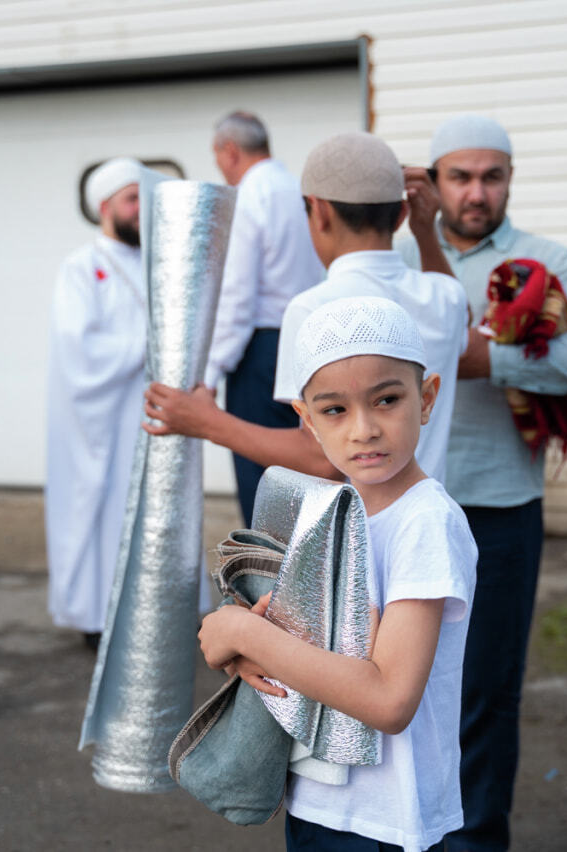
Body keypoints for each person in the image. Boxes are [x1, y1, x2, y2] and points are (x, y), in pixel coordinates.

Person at [396, 115, 567, 849]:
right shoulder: (393, 259)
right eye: (460, 176)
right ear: (431, 183)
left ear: (510, 181)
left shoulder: (543, 258)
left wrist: (488, 362)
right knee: (395, 687)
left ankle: (474, 839)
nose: (476, 192)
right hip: (400, 510)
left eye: (491, 176)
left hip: (499, 510)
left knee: (487, 694)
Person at [198, 295, 477, 852]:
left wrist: (245, 634)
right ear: (305, 421)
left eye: (387, 400)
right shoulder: (329, 508)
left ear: (426, 399)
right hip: (320, 798)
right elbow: (300, 650)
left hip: (387, 820)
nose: (365, 429)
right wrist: (252, 643)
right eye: (335, 411)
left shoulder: (425, 521)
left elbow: (389, 700)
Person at [143, 131, 470, 490]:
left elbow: (320, 461)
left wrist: (206, 422)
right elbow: (458, 308)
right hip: (426, 507)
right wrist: (425, 232)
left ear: (320, 211)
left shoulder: (314, 307)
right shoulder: (447, 296)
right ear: (401, 215)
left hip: (360, 533)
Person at [45, 158, 148, 648]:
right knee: (104, 511)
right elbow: (77, 347)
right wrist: (146, 346)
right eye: (132, 199)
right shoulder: (80, 268)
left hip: (150, 419)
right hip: (101, 422)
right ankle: (96, 615)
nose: (141, 209)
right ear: (105, 207)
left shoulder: (156, 264)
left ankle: (154, 610)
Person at [206, 111, 325, 525]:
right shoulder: (300, 191)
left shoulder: (248, 196)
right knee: (304, 475)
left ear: (230, 151)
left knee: (262, 480)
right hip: (310, 342)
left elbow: (238, 295)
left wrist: (212, 370)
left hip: (261, 351)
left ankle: (269, 583)